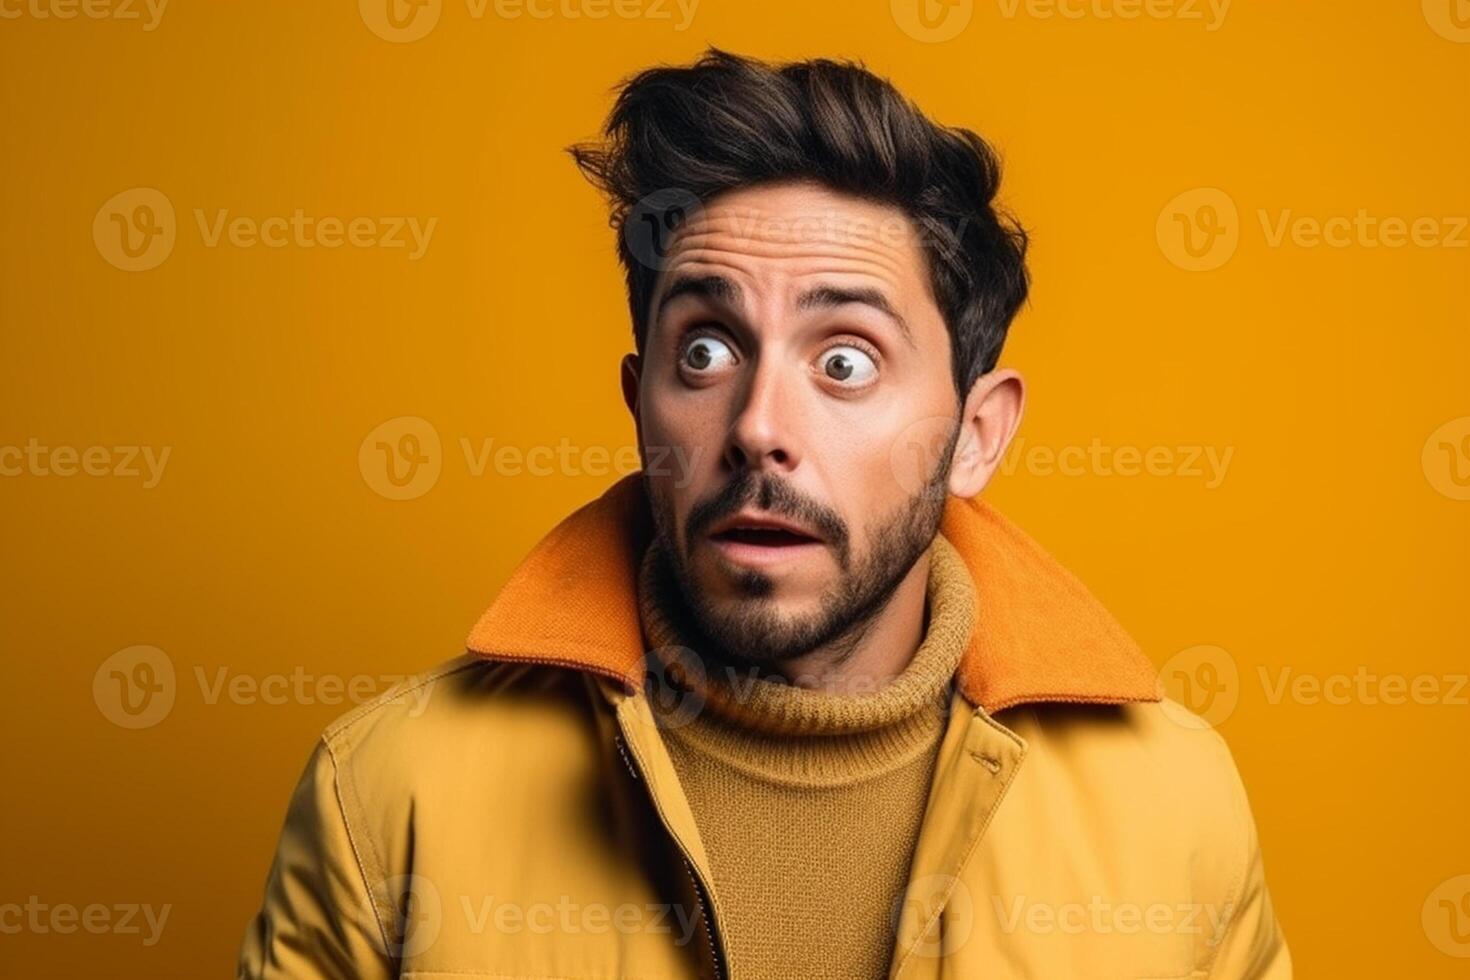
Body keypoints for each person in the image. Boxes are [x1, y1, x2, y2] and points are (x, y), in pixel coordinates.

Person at [239, 49, 1290, 979]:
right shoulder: (387, 798)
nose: (756, 426)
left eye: (845, 360)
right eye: (705, 348)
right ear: (638, 398)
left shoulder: (1174, 809)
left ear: (977, 433)